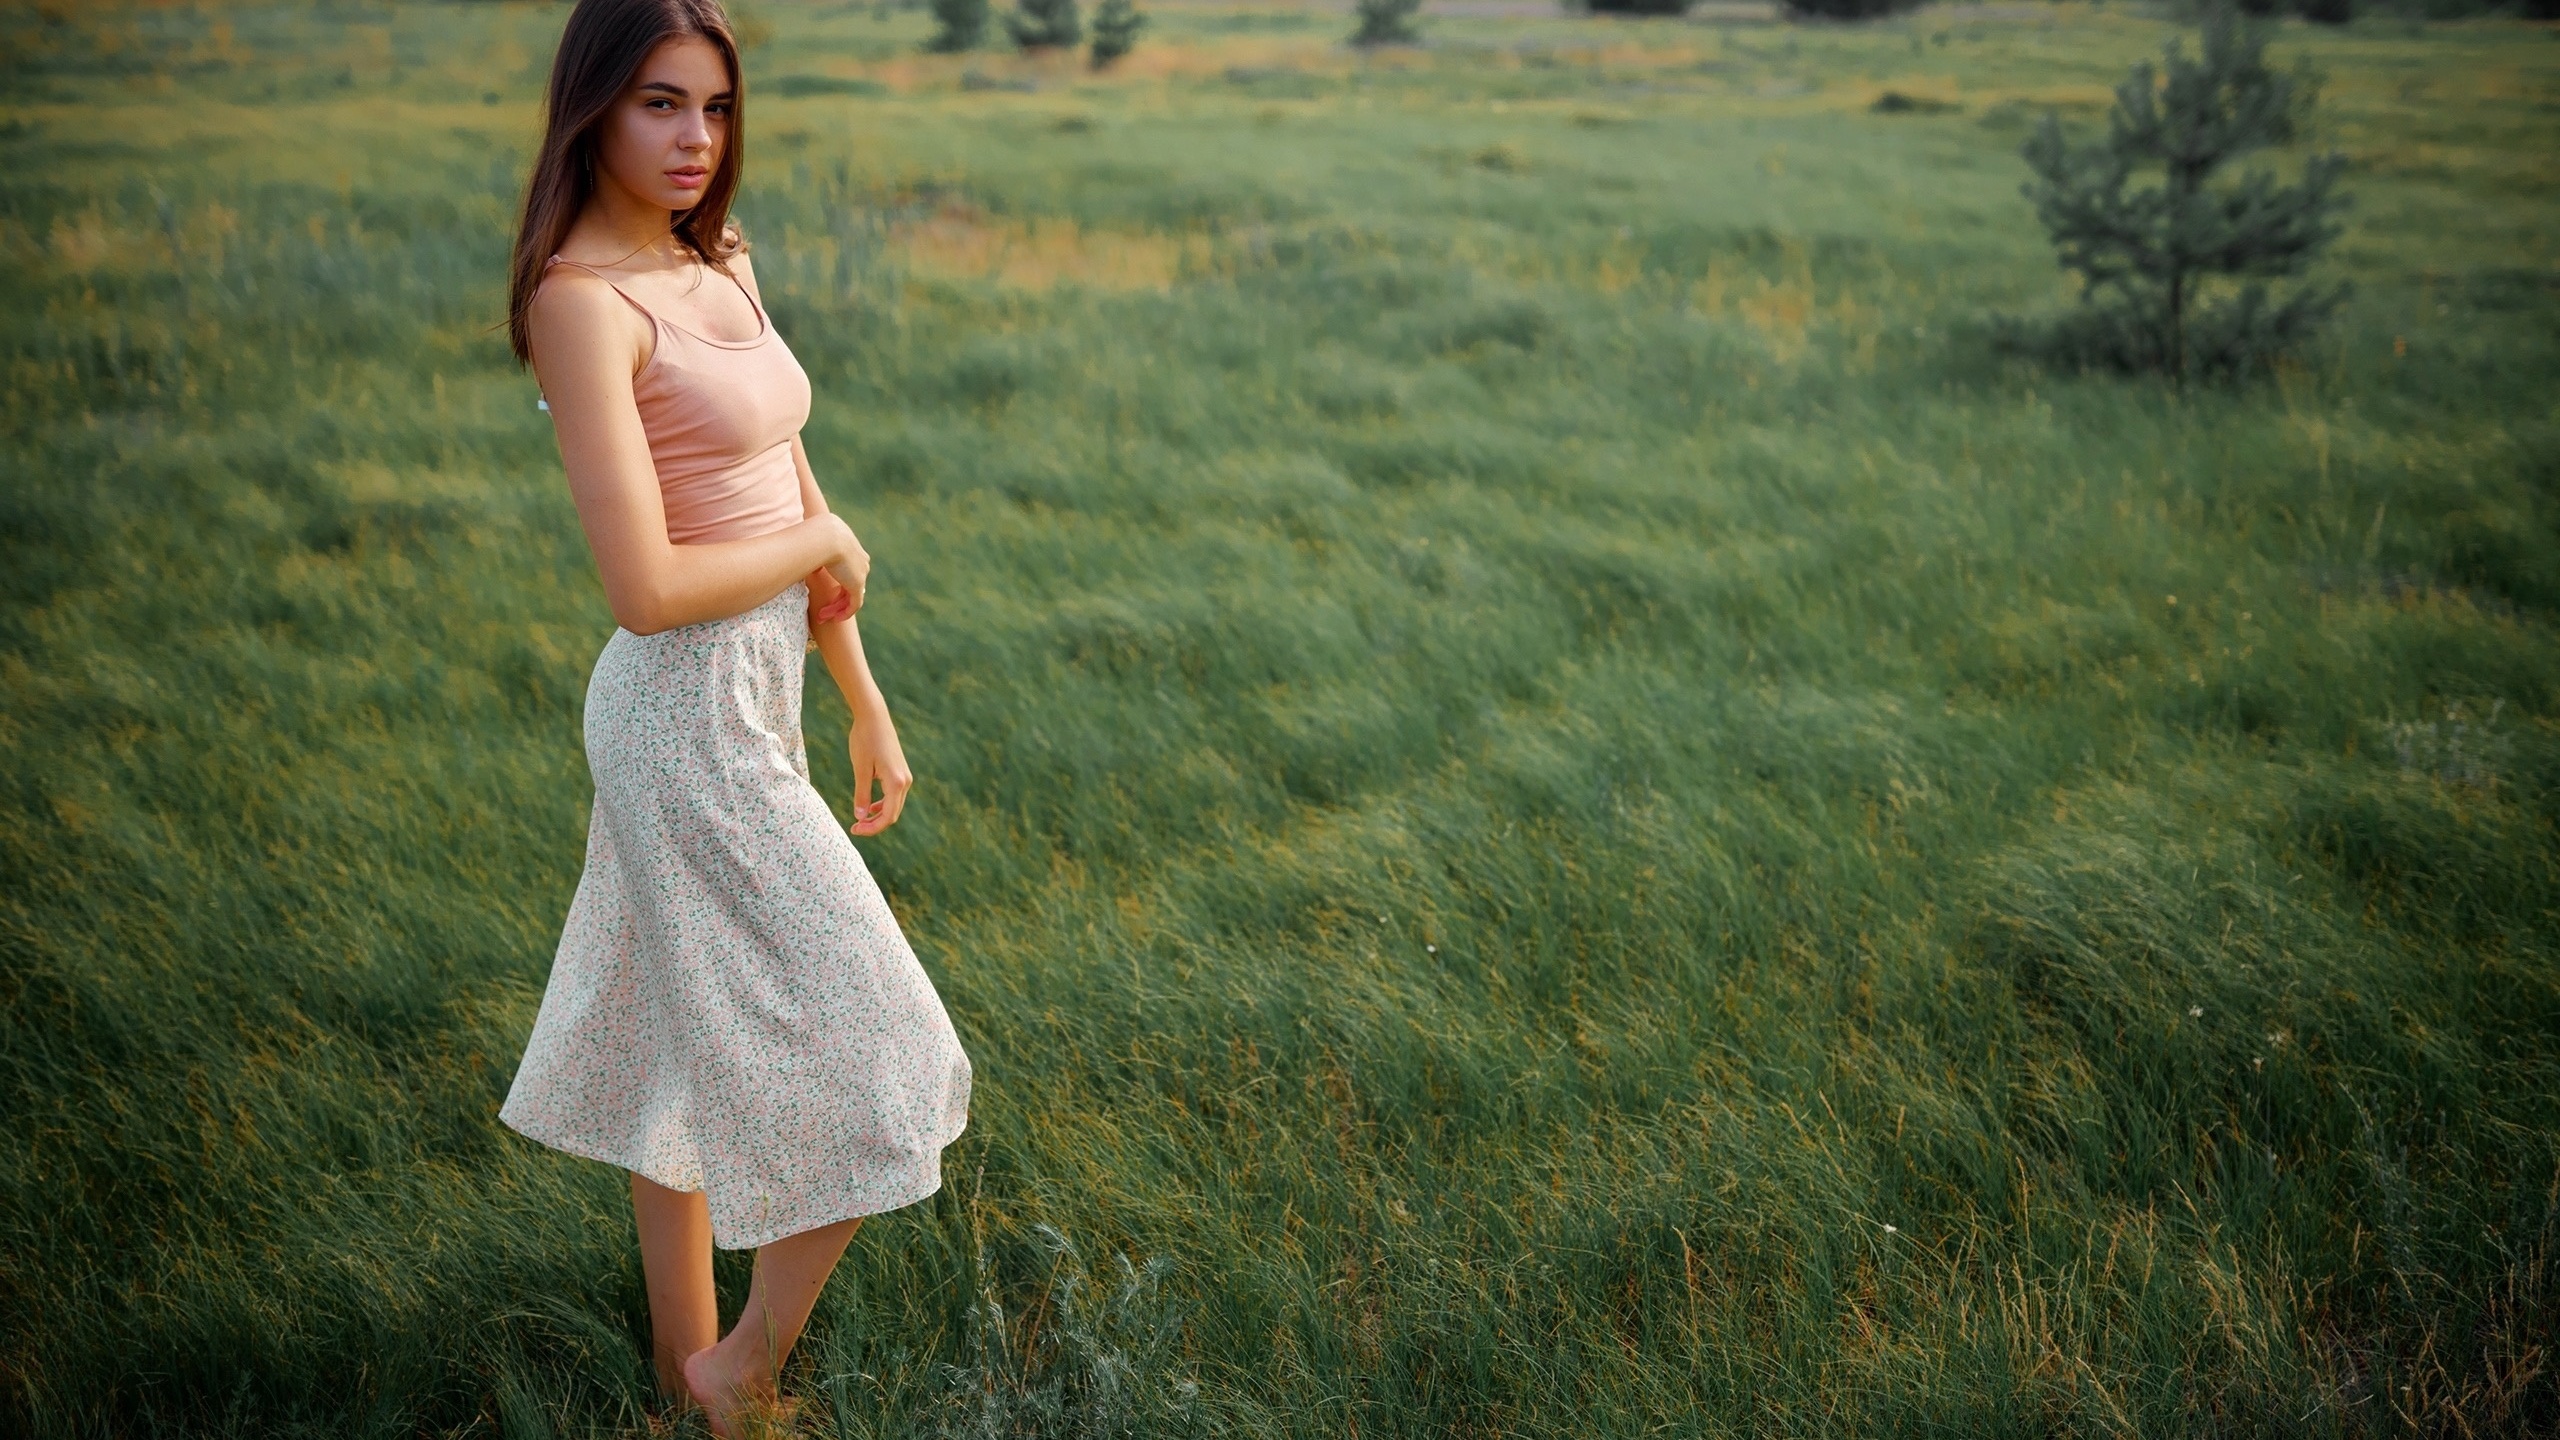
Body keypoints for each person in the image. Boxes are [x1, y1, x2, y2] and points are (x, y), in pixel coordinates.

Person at [492, 0, 972, 1431]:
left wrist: (862, 697)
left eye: (711, 105)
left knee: (674, 1049)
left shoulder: (721, 258)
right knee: (898, 1055)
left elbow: (792, 480)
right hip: (677, 715)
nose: (695, 138)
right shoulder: (581, 303)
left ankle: (680, 1388)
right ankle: (738, 1370)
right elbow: (645, 587)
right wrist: (823, 557)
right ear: (591, 109)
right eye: (657, 104)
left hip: (763, 690)